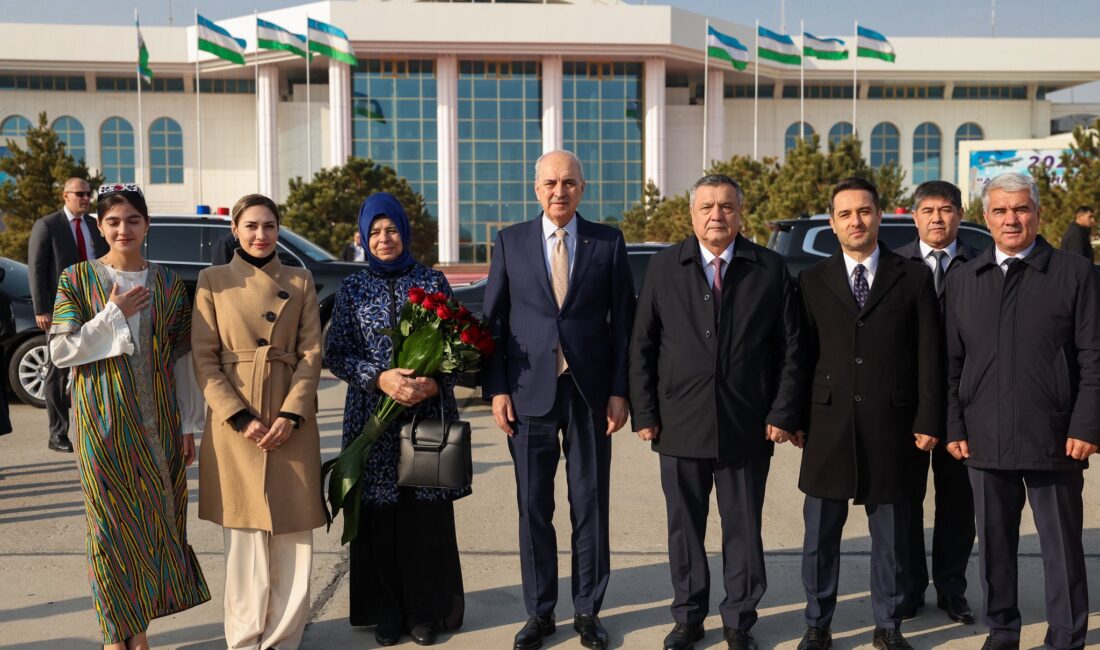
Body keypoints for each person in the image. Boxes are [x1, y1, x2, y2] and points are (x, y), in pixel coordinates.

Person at [629, 174, 803, 650]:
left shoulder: (769, 268)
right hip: (678, 422)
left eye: (726, 206)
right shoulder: (665, 266)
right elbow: (642, 344)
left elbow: (791, 348)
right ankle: (688, 617)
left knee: (743, 530)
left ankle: (739, 620)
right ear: (692, 214)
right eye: (706, 206)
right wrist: (644, 412)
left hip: (747, 423)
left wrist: (783, 411)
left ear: (740, 213)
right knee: (684, 529)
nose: (716, 215)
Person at [482, 149, 635, 650]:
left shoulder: (607, 242)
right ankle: (540, 612)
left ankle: (588, 610)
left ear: (582, 188)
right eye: (550, 182)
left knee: (590, 504)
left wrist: (620, 390)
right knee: (533, 507)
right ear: (536, 189)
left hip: (590, 394)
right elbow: (494, 322)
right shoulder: (511, 242)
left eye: (568, 182)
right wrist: (497, 388)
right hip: (528, 394)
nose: (559, 191)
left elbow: (624, 322)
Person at [48, 183, 209, 649]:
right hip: (101, 426)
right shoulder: (77, 279)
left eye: (133, 220)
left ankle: (137, 631)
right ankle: (114, 635)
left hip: (160, 426)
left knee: (153, 524)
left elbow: (182, 359)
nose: (124, 229)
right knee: (108, 529)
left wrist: (188, 424)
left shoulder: (168, 283)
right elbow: (61, 351)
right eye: (114, 221)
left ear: (147, 225)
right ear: (99, 227)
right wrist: (111, 315)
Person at [945, 172, 1100, 650]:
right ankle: (1002, 631)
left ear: (1038, 213)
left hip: (1055, 435)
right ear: (985, 217)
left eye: (1020, 209)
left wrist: (1087, 423)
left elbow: (1094, 356)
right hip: (984, 436)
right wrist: (953, 424)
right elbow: (950, 362)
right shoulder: (964, 278)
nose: (1011, 219)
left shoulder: (1075, 273)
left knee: (1061, 546)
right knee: (994, 546)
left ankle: (1067, 635)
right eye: (1000, 210)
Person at [795, 177, 945, 650]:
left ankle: (889, 625)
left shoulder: (913, 277)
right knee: (821, 537)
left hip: (894, 427)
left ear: (880, 215)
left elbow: (930, 356)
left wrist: (929, 419)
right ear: (832, 223)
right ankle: (817, 624)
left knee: (893, 538)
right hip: (828, 426)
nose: (855, 221)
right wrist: (795, 416)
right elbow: (800, 356)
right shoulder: (811, 281)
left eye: (864, 211)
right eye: (845, 214)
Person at [325, 191, 467, 647]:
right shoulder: (352, 288)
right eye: (374, 232)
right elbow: (337, 354)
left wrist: (433, 383)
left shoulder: (431, 280)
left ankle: (425, 612)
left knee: (423, 518)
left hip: (423, 417)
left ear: (404, 233)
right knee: (379, 518)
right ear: (363, 239)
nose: (384, 238)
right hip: (372, 419)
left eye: (391, 230)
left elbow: (454, 346)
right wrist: (379, 378)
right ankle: (386, 610)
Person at [191, 194, 325, 650]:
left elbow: (312, 353)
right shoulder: (212, 281)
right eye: (250, 225)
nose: (260, 234)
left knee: (293, 534)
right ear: (235, 230)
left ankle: (284, 639)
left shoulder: (300, 280)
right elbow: (205, 359)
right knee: (245, 539)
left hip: (291, 418)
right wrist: (239, 417)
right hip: (237, 422)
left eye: (269, 225)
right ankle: (246, 639)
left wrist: (292, 412)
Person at [892, 180, 980, 625]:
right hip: (908, 404)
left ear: (960, 214)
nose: (937, 218)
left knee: (958, 504)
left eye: (946, 210)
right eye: (927, 210)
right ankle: (909, 589)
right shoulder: (894, 265)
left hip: (965, 403)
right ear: (914, 217)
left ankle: (951, 589)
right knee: (905, 500)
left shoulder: (980, 264)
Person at [28, 177, 108, 452]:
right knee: (58, 371)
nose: (85, 198)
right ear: (65, 196)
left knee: (96, 365)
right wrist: (41, 309)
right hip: (61, 309)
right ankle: (58, 434)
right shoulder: (47, 225)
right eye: (80, 194)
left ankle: (97, 429)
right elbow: (37, 269)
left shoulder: (94, 225)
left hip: (95, 307)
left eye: (88, 193)